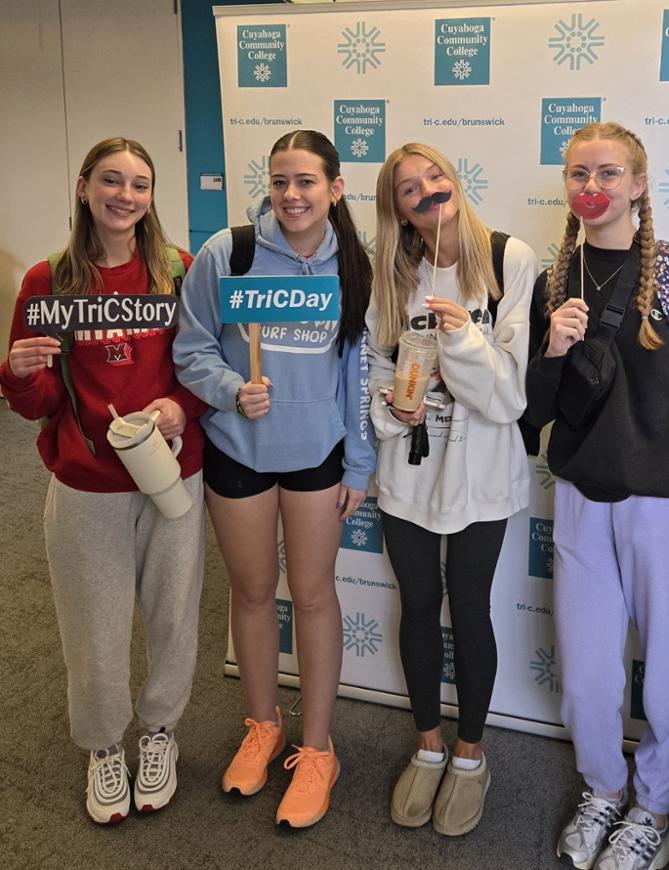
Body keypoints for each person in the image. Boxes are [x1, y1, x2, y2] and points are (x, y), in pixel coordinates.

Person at [525, 121, 669, 870]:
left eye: (609, 173)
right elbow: (535, 414)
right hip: (585, 500)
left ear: (639, 184)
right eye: (579, 173)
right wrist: (552, 350)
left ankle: (654, 809)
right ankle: (602, 789)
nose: (593, 187)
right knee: (588, 671)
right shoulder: (553, 283)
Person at [173, 129, 374, 828]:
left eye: (307, 182)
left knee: (314, 596)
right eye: (280, 181)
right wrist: (231, 389)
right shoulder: (230, 253)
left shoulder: (353, 263)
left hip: (317, 453)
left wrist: (361, 461)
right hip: (238, 450)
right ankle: (264, 726)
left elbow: (357, 370)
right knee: (254, 594)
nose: (292, 195)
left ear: (335, 189)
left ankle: (317, 749)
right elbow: (190, 347)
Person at [0, 137, 205, 824]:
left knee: (175, 614)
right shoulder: (47, 280)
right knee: (93, 622)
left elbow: (207, 367)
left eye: (140, 184)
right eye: (111, 181)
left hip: (174, 473)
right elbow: (39, 404)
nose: (126, 195)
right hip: (87, 483)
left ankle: (160, 734)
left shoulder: (178, 270)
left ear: (151, 198)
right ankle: (103, 747)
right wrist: (19, 375)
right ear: (84, 188)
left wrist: (183, 406)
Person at [365, 143, 537, 836]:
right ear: (400, 213)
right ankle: (429, 746)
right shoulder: (392, 272)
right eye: (411, 189)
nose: (429, 191)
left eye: (435, 176)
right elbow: (376, 363)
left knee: (469, 608)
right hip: (409, 464)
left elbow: (510, 397)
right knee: (417, 604)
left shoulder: (506, 258)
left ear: (454, 182)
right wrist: (391, 403)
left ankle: (471, 757)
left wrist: (463, 336)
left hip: (483, 468)